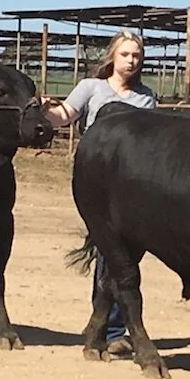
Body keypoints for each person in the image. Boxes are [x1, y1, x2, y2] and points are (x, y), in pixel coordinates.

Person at [41, 30, 157, 347]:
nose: (132, 60)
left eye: (136, 55)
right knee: (113, 251)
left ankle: (105, 325)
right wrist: (42, 112)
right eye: (126, 54)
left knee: (121, 254)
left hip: (132, 185)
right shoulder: (91, 88)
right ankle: (111, 328)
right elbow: (64, 115)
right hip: (97, 182)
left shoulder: (145, 98)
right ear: (112, 57)